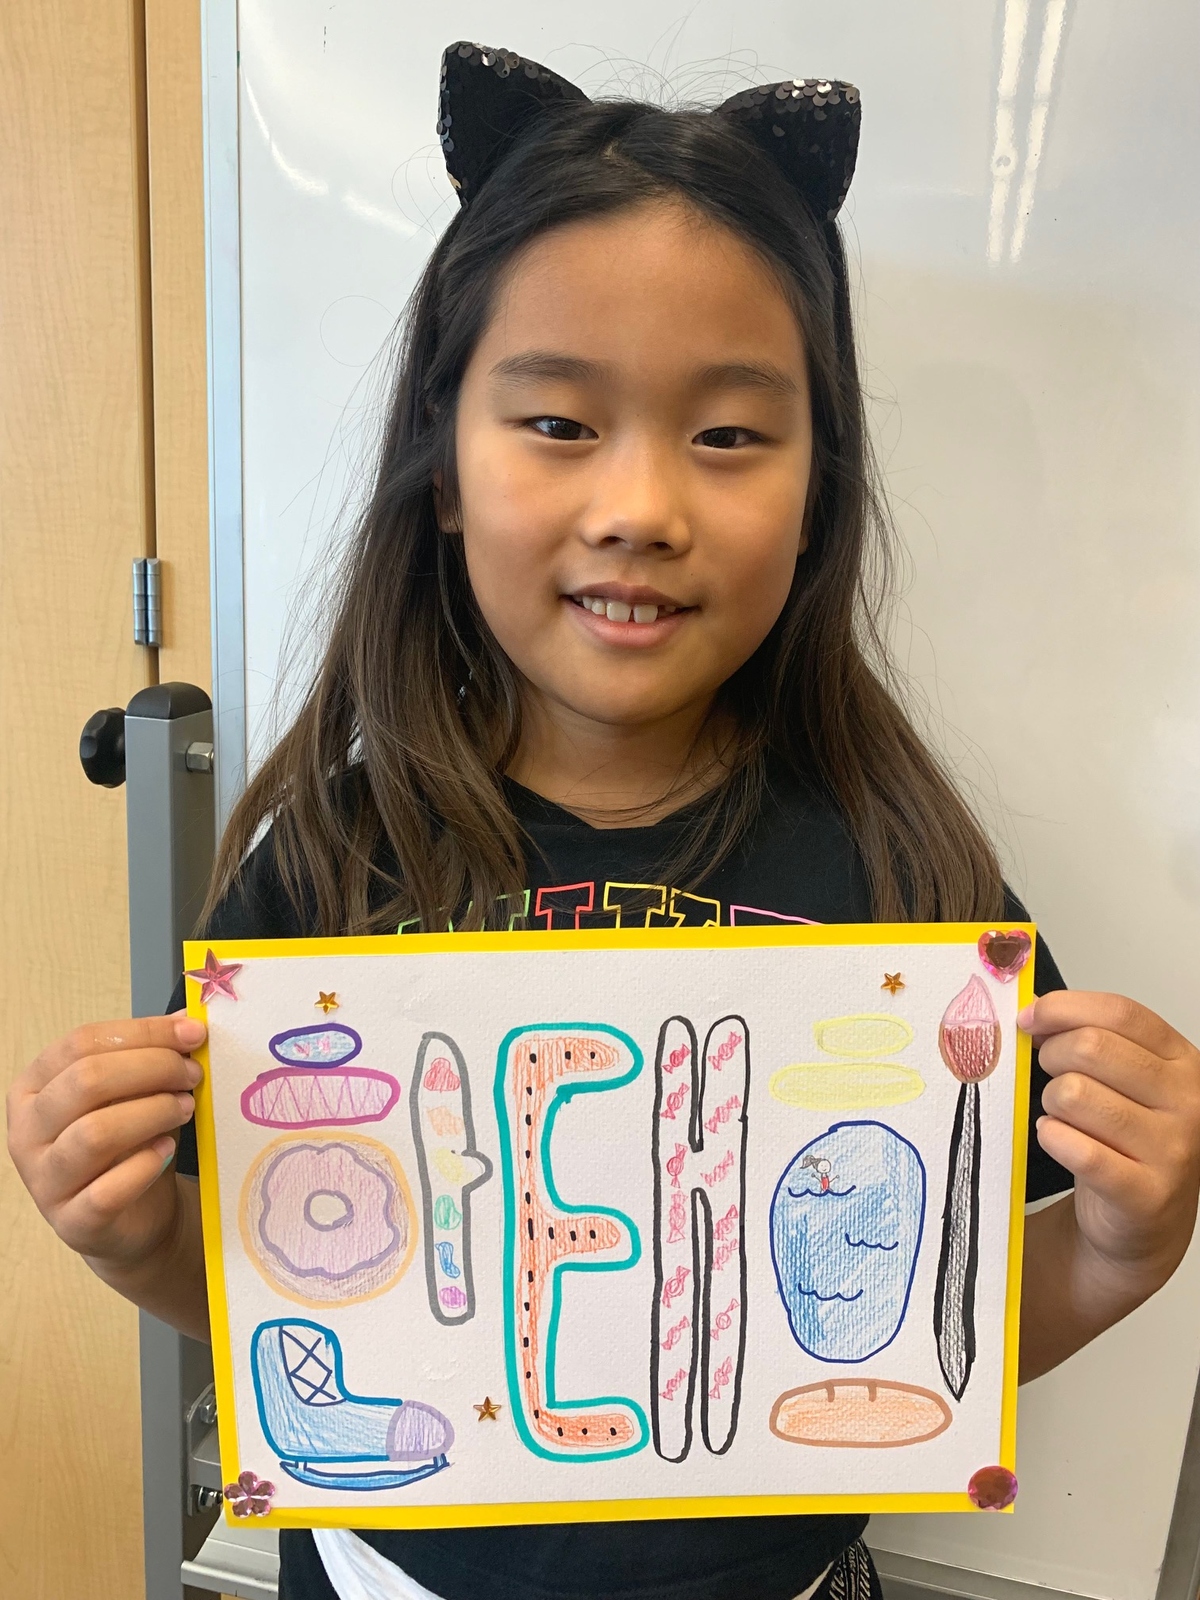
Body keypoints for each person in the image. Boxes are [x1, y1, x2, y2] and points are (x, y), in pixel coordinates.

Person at [9, 38, 1200, 1600]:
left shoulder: (901, 873)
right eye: (560, 424)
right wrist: (122, 1232)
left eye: (729, 435)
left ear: (819, 488)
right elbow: (267, 1289)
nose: (640, 507)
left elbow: (942, 1324)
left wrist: (1121, 1246)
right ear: (445, 467)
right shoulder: (335, 861)